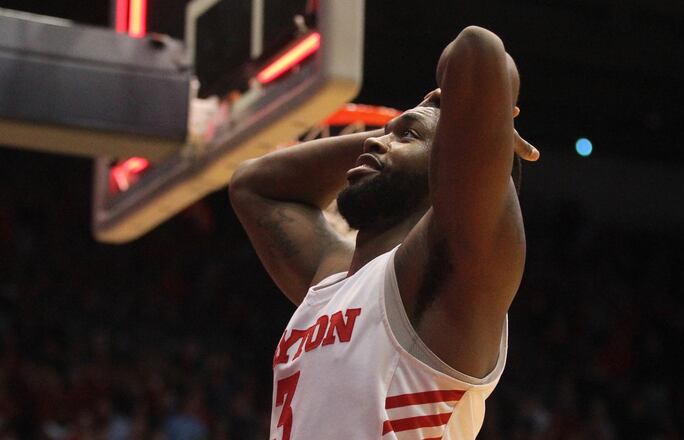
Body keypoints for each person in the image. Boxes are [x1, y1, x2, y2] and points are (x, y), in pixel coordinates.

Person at [229, 25, 540, 440]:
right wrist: (396, 133)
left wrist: (477, 122)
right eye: (383, 135)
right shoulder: (334, 281)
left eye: (406, 137)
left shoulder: (444, 284)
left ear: (448, 172)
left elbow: (478, 51)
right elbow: (253, 186)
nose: (375, 144)